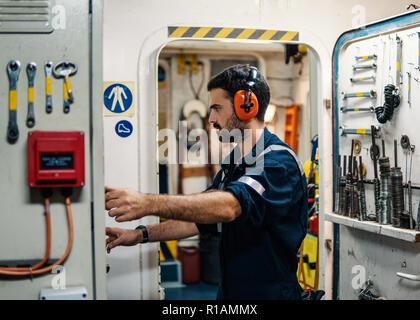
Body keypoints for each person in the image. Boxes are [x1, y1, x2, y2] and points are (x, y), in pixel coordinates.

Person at [105, 64, 308, 300]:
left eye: (216, 108)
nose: (211, 118)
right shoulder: (235, 160)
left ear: (247, 106)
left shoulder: (278, 162)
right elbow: (200, 221)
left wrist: (146, 203)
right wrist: (140, 235)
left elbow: (229, 206)